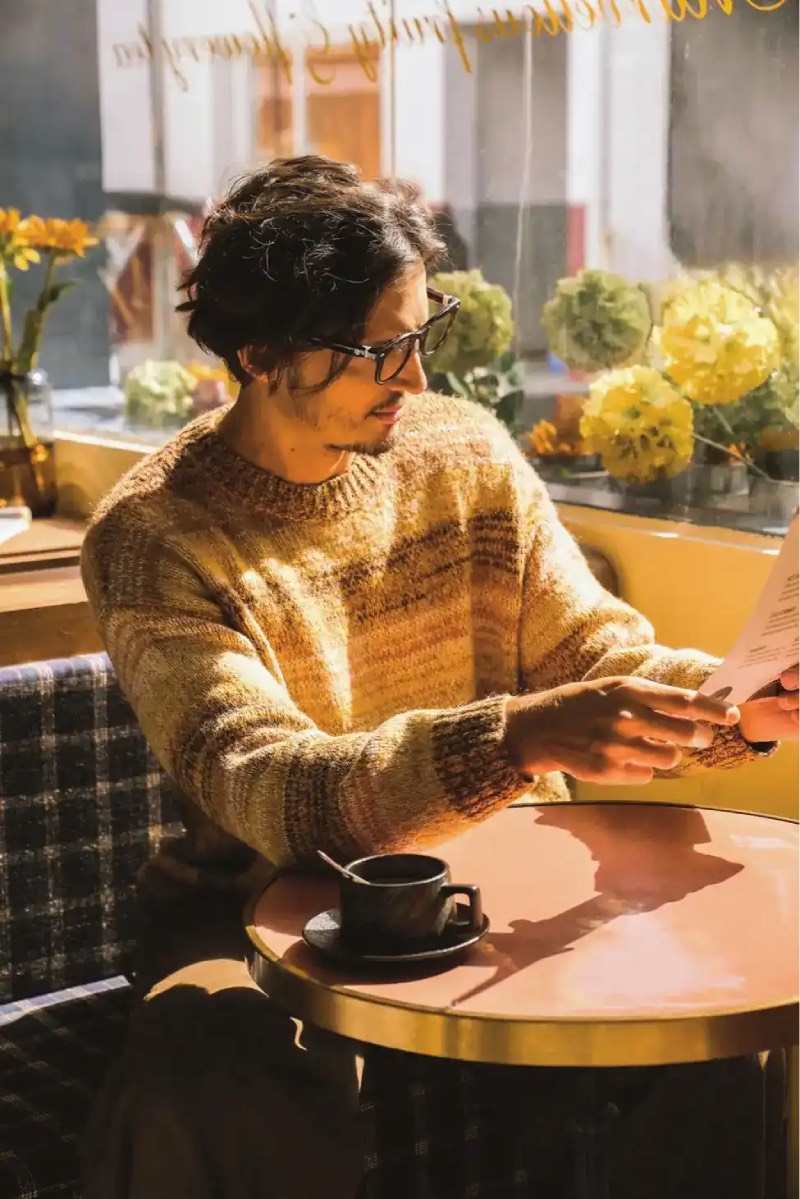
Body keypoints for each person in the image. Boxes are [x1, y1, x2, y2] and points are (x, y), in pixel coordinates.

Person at [79, 156, 798, 1199]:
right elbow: (269, 787)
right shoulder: (154, 535)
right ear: (262, 352)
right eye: (381, 350)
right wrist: (513, 738)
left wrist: (743, 701)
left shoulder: (461, 454)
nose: (415, 380)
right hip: (255, 913)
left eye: (423, 333)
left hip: (502, 881)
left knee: (706, 1040)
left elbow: (594, 653)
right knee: (214, 1068)